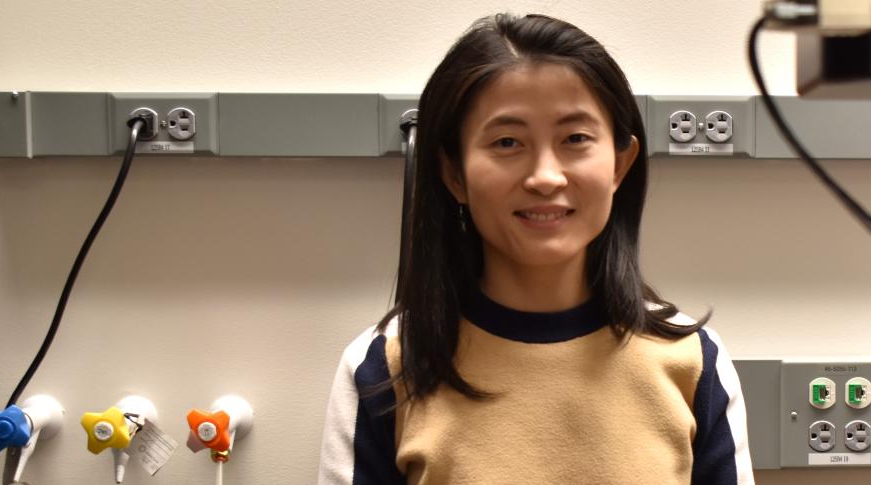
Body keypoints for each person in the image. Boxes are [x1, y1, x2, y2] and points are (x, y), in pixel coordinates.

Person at [317, 12, 753, 485]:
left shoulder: (692, 359)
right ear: (454, 174)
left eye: (575, 139)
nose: (545, 176)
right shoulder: (386, 366)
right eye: (507, 142)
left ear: (620, 165)